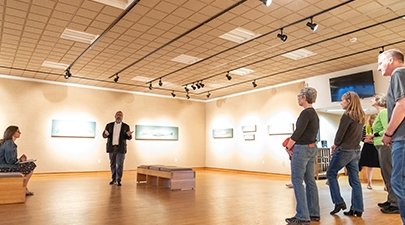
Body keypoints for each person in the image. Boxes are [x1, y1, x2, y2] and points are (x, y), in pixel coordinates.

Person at [285, 87, 320, 225]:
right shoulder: (314, 114)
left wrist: (288, 146)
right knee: (310, 180)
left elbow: (298, 132)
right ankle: (314, 213)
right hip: (311, 148)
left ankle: (302, 216)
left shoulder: (305, 113)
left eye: (299, 96)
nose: (298, 98)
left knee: (297, 180)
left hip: (302, 149)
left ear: (305, 98)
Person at [327, 91, 365, 217]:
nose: (341, 102)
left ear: (349, 101)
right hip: (355, 151)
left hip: (345, 151)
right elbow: (359, 136)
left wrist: (336, 144)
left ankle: (338, 202)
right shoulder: (361, 116)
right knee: (355, 180)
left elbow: (340, 134)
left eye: (343, 100)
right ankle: (357, 208)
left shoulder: (347, 115)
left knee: (331, 173)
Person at [378, 49, 405, 223]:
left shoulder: (399, 74)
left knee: (398, 183)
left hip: (402, 139)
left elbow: (402, 105)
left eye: (380, 63)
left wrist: (388, 133)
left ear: (390, 60)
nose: (379, 68)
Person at [371, 94, 399, 214]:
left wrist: (375, 135)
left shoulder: (384, 112)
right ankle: (391, 199)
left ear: (378, 101)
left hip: (385, 146)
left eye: (373, 98)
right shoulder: (381, 113)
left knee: (389, 173)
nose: (371, 99)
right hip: (380, 145)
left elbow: (387, 128)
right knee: (385, 173)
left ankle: (395, 203)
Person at [0, 126, 36, 196]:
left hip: (4, 166)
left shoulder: (7, 142)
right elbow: (10, 161)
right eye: (18, 131)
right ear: (13, 133)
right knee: (31, 165)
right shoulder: (9, 143)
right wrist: (20, 160)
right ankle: (24, 188)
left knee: (29, 165)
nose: (20, 133)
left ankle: (24, 187)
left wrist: (19, 160)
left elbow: (9, 159)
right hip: (4, 167)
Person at [103, 111, 133, 186]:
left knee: (119, 164)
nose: (118, 116)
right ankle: (113, 179)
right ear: (115, 116)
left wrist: (129, 135)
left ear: (122, 117)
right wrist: (105, 134)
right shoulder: (109, 125)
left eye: (120, 115)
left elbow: (128, 137)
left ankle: (118, 180)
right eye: (117, 115)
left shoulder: (126, 126)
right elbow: (104, 135)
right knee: (112, 164)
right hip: (111, 148)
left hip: (121, 148)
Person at [358, 114, 379, 189]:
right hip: (367, 147)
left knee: (381, 165)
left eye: (374, 119)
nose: (373, 120)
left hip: (376, 147)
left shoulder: (379, 127)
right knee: (369, 165)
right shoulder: (365, 127)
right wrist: (366, 140)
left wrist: (373, 140)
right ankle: (369, 183)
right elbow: (362, 137)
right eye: (372, 119)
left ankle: (386, 184)